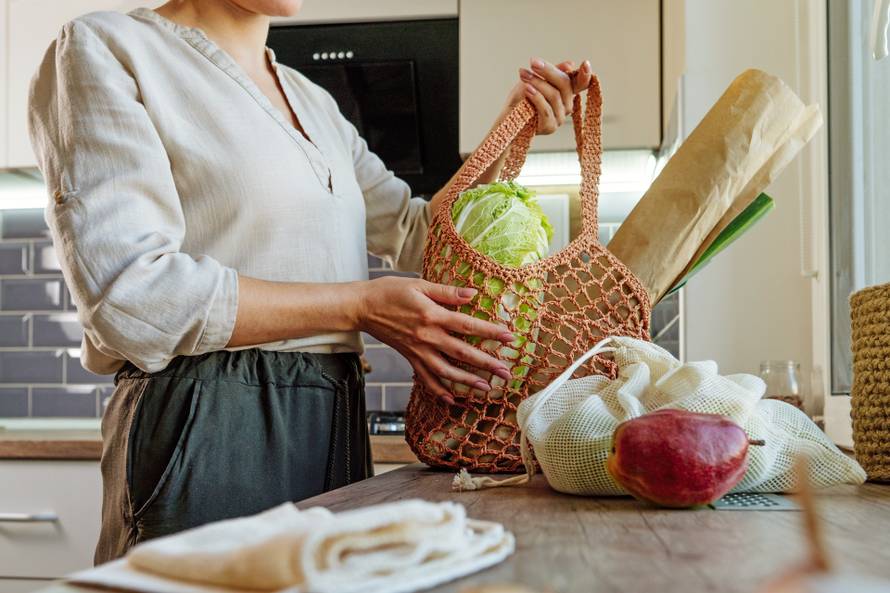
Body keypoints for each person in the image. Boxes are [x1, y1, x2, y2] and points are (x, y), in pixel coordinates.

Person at [27, 0, 593, 564]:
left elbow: (421, 235)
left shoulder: (312, 101)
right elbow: (130, 298)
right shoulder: (108, 47)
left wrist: (509, 125)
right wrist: (358, 307)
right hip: (206, 417)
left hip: (333, 412)